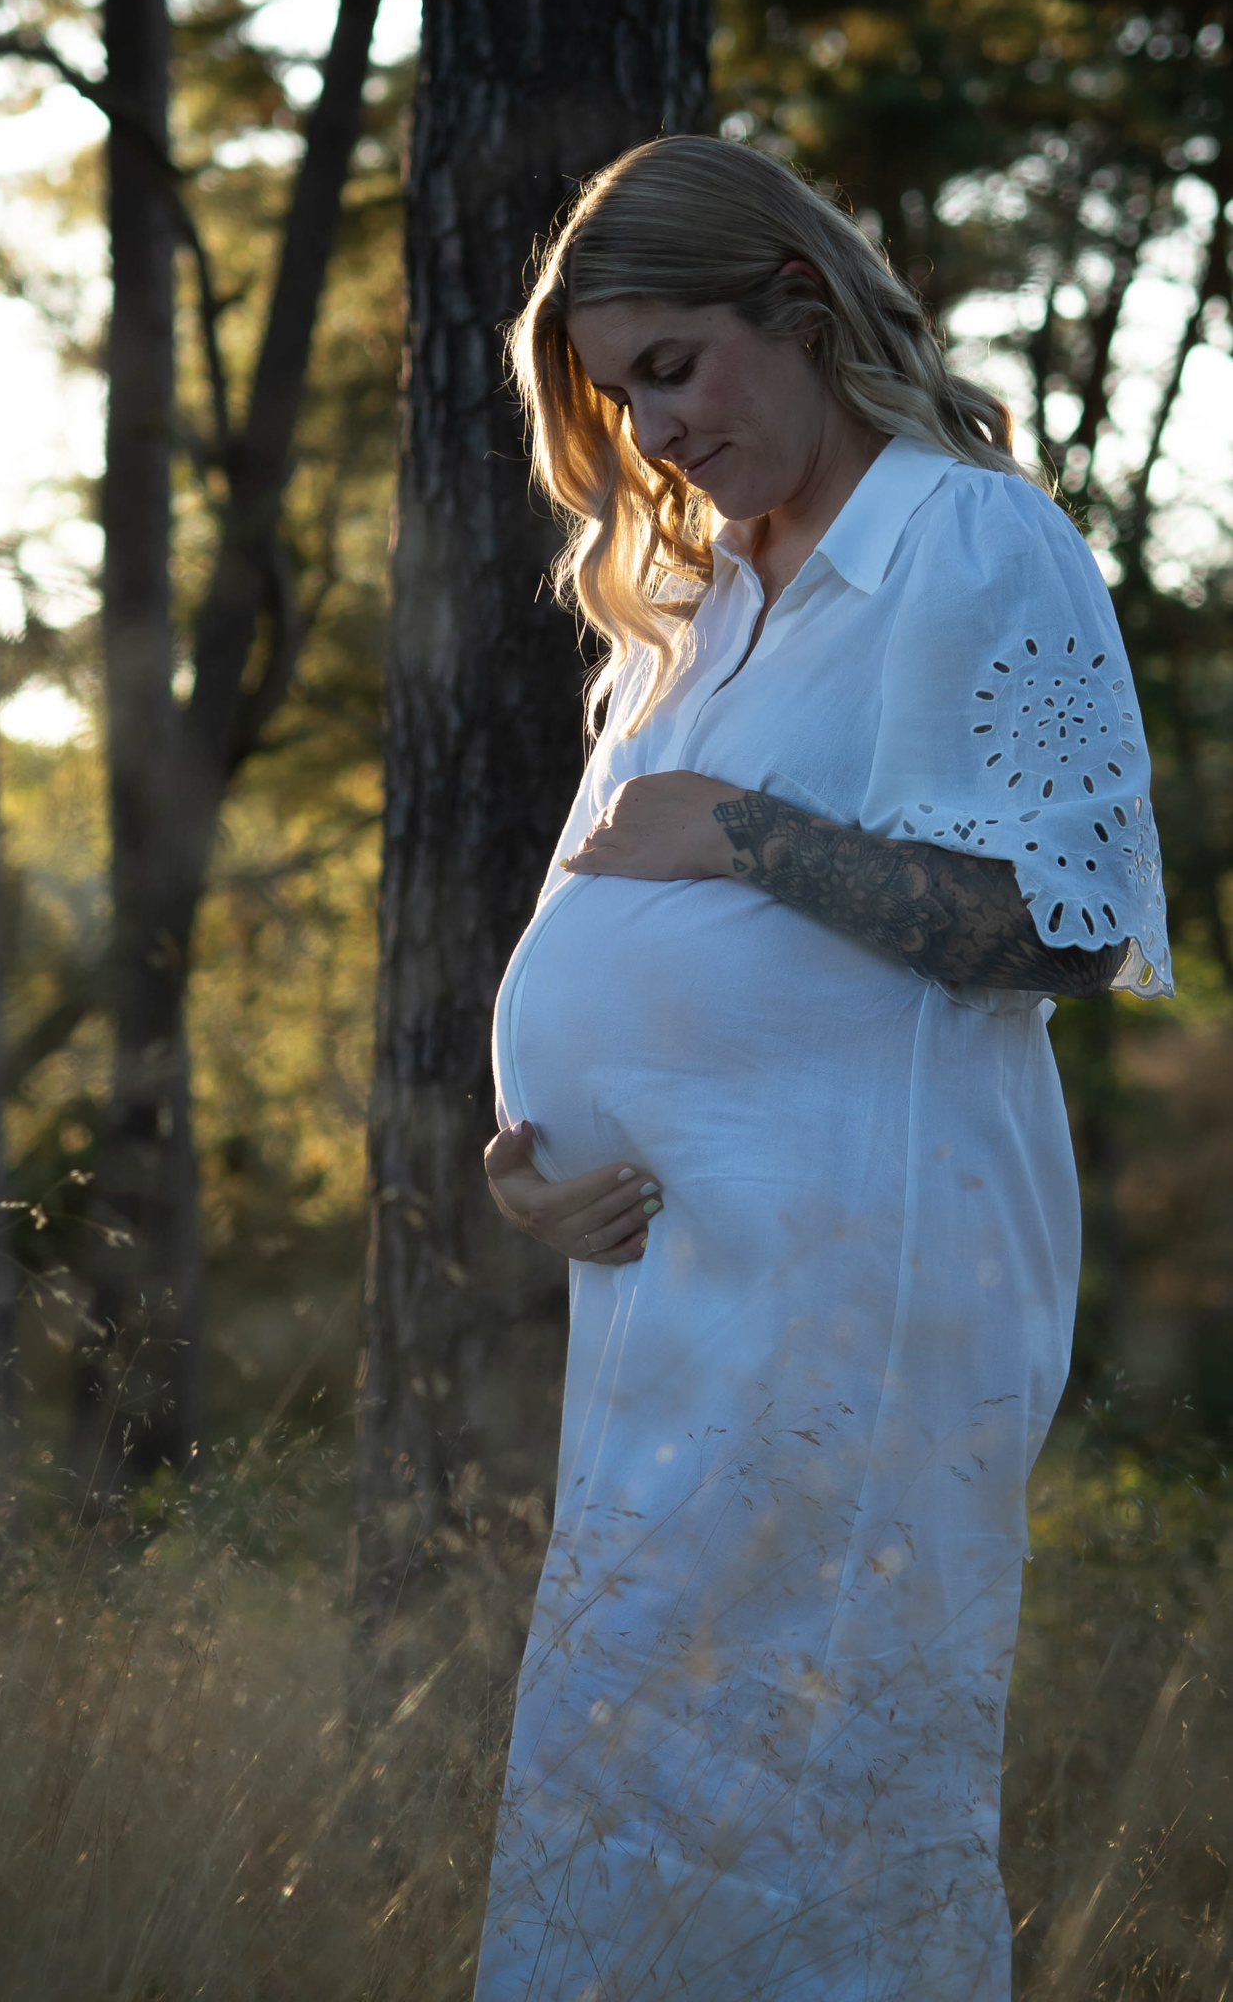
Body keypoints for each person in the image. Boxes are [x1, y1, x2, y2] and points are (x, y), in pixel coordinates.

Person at [472, 135, 1171, 2002]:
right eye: (621, 401)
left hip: (865, 1301)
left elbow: (1072, 920)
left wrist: (752, 836)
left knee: (816, 1823)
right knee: (632, 1794)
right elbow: (605, 953)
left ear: (797, 306)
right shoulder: (698, 609)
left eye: (676, 369)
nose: (657, 435)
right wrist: (525, 1163)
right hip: (666, 1306)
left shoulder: (968, 539)